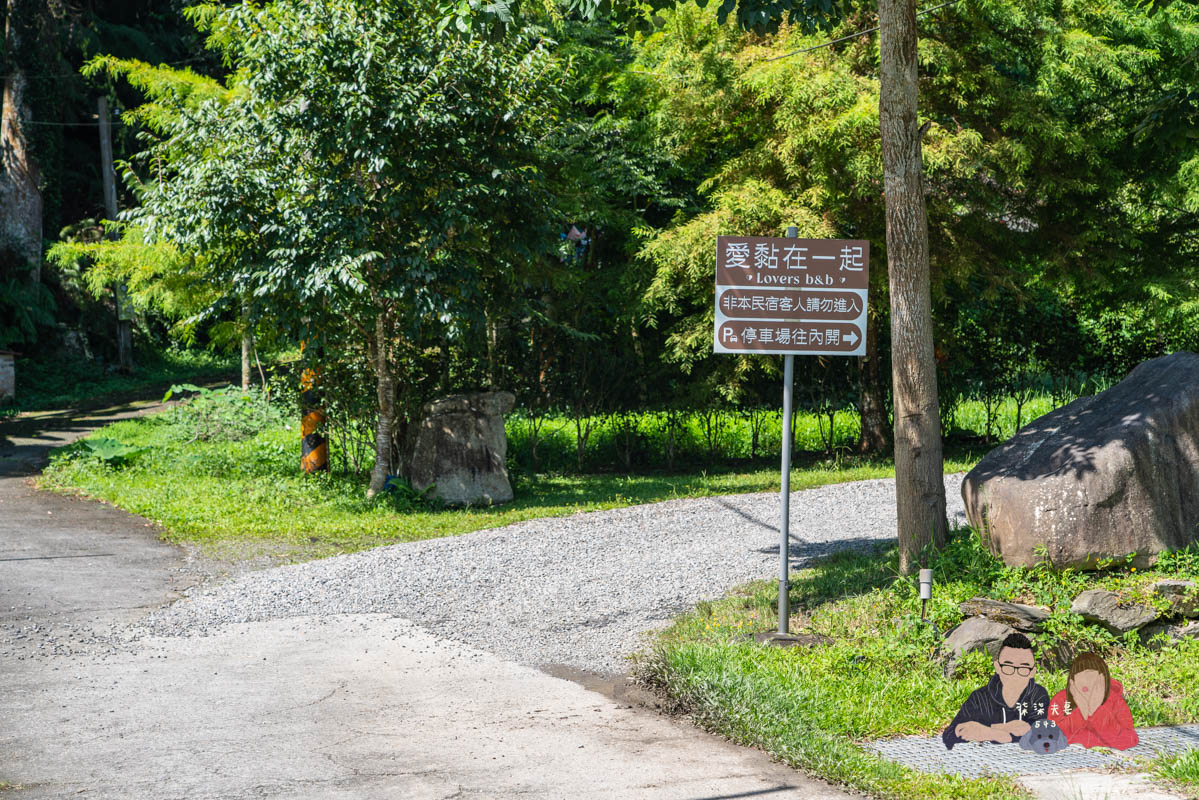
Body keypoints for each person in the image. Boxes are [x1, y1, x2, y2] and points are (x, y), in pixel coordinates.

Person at [943, 632, 1050, 750]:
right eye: (1008, 667)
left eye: (1023, 668)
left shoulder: (1038, 696)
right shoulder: (980, 698)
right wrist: (997, 732)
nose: (1015, 675)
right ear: (997, 667)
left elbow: (1043, 736)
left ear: (1032, 671)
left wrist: (989, 731)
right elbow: (949, 736)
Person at [1047, 652, 1138, 750]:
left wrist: (1097, 711)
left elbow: (1129, 739)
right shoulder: (1061, 700)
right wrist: (1081, 712)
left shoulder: (1114, 700)